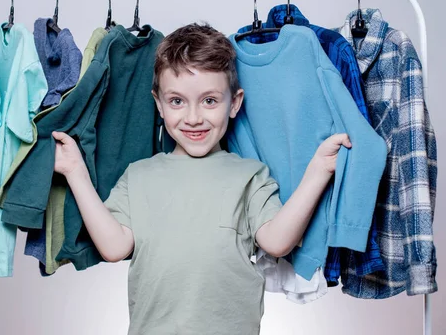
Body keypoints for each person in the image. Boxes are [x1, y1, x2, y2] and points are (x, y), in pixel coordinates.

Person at [51, 23, 351, 335]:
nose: (194, 118)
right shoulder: (139, 176)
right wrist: (76, 172)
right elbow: (113, 247)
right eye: (177, 101)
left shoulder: (249, 175)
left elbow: (276, 242)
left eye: (209, 100)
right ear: (159, 104)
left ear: (234, 103)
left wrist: (318, 171)